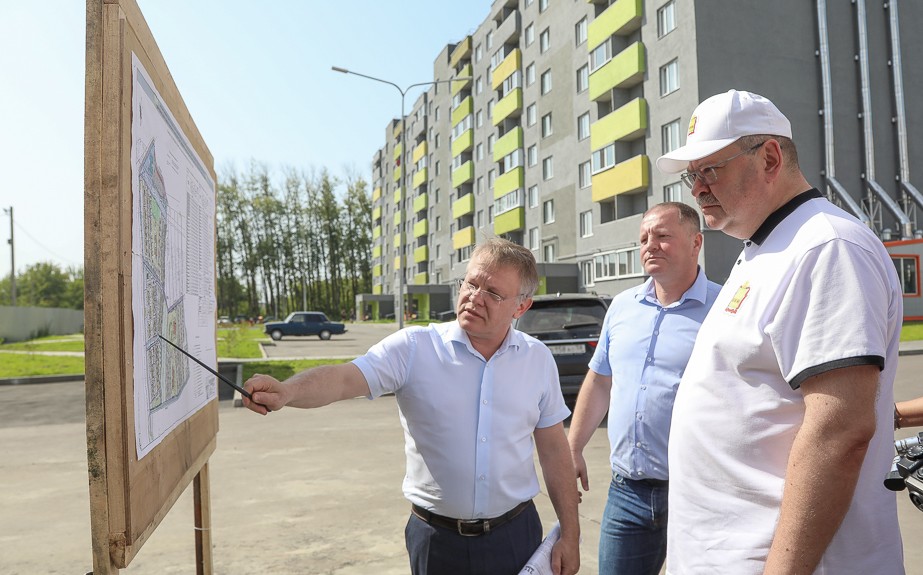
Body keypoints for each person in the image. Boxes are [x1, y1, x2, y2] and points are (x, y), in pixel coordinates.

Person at [656, 89, 904, 574]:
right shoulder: (764, 249)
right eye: (692, 175)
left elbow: (840, 432)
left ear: (769, 156)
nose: (697, 188)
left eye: (710, 169)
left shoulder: (827, 248)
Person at [242, 237, 580, 575]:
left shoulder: (537, 359)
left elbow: (553, 450)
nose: (475, 297)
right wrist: (287, 390)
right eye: (471, 283)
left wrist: (571, 534)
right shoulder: (415, 348)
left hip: (515, 538)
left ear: (521, 307)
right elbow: (344, 378)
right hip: (437, 542)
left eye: (492, 293)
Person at [567, 201, 721, 575]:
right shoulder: (621, 307)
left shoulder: (725, 307)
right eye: (643, 239)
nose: (650, 245)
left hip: (699, 493)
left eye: (663, 236)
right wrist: (572, 447)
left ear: (696, 242)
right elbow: (600, 380)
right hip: (627, 494)